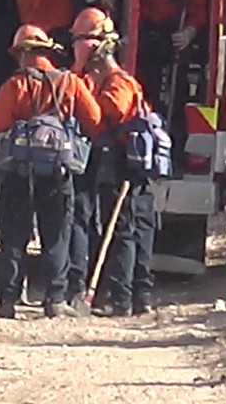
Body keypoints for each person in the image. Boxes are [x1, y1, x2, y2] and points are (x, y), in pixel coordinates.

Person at [0, 25, 103, 319]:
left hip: (19, 172)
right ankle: (55, 300)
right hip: (58, 172)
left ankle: (8, 301)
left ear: (24, 53)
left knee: (14, 236)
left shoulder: (16, 84)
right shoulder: (70, 82)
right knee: (57, 236)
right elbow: (95, 118)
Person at [78, 35, 158, 317]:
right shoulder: (123, 81)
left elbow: (112, 110)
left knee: (123, 231)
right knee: (133, 230)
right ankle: (136, 296)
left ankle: (122, 298)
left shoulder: (118, 84)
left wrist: (87, 101)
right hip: (131, 164)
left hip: (124, 165)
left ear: (98, 66)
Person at [63, 7, 120, 313]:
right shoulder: (89, 76)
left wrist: (78, 67)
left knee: (85, 219)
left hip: (99, 154)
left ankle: (92, 287)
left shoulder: (112, 80)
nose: (76, 46)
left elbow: (93, 112)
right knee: (82, 218)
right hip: (90, 152)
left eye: (81, 40)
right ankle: (86, 284)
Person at [136, 0, 208, 116]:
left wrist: (189, 33)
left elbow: (198, 9)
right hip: (141, 30)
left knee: (175, 94)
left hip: (172, 33)